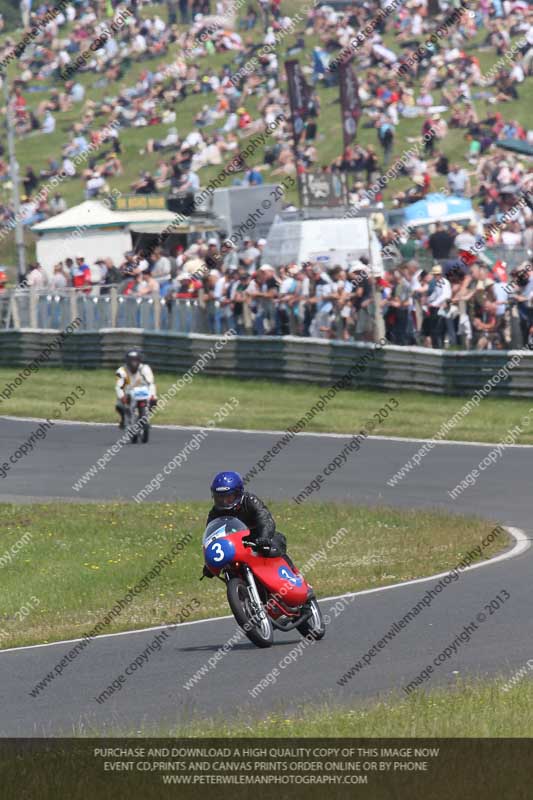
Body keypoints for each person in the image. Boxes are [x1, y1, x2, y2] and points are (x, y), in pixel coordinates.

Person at [203, 471, 310, 593]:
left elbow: (266, 519)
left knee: (276, 544)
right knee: (229, 569)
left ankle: (297, 580)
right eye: (220, 497)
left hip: (259, 537)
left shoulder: (250, 501)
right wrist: (209, 563)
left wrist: (264, 537)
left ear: (238, 494)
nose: (224, 501)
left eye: (229, 497)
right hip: (236, 546)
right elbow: (212, 538)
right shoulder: (214, 514)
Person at [115, 349, 157, 430]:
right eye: (131, 360)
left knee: (154, 401)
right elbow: (118, 386)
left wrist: (152, 395)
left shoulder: (145, 368)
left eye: (136, 360)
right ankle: (124, 419)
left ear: (139, 360)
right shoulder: (121, 371)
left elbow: (151, 383)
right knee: (119, 405)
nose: (133, 363)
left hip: (143, 390)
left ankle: (146, 417)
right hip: (128, 391)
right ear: (127, 361)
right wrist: (122, 396)